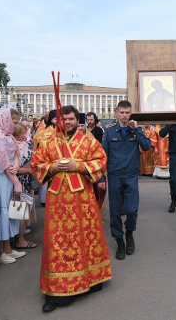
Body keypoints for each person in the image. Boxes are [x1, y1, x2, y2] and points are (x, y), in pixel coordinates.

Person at [31, 105, 111, 312]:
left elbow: (101, 162)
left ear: (77, 120)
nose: (66, 122)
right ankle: (56, 291)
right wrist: (53, 167)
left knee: (85, 239)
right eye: (63, 119)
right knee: (57, 245)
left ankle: (91, 279)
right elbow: (36, 164)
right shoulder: (48, 142)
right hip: (57, 204)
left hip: (82, 201)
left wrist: (79, 166)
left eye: (70, 119)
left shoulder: (87, 141)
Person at [102, 100, 151, 260]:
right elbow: (103, 156)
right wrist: (101, 177)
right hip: (115, 176)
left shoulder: (135, 130)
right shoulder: (109, 132)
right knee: (115, 212)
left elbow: (146, 147)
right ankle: (120, 241)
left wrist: (136, 130)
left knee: (131, 210)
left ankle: (129, 234)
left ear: (131, 114)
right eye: (121, 112)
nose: (124, 116)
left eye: (127, 113)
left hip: (131, 175)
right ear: (116, 113)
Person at [0, 109, 25, 264]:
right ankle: (0, 251)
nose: (14, 126)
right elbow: (2, 161)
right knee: (3, 209)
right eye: (13, 122)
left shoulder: (5, 133)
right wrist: (16, 181)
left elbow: (15, 153)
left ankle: (7, 247)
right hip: (1, 173)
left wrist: (16, 164)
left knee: (9, 208)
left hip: (8, 172)